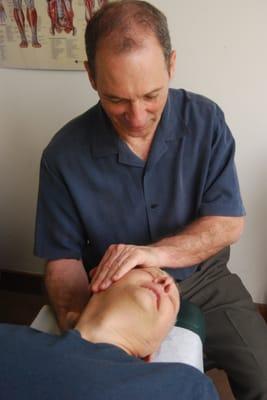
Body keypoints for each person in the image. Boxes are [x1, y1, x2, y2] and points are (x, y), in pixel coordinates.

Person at [34, 1, 267, 398]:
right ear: (91, 76)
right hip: (118, 292)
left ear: (171, 64)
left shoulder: (206, 122)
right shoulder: (63, 154)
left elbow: (227, 224)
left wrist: (154, 255)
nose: (137, 117)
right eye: (116, 100)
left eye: (151, 96)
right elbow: (63, 262)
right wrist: (78, 324)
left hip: (205, 280)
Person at [0, 267, 219, 400]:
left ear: (151, 352)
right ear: (100, 281)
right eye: (151, 272)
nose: (165, 282)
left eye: (172, 302)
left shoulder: (186, 386)